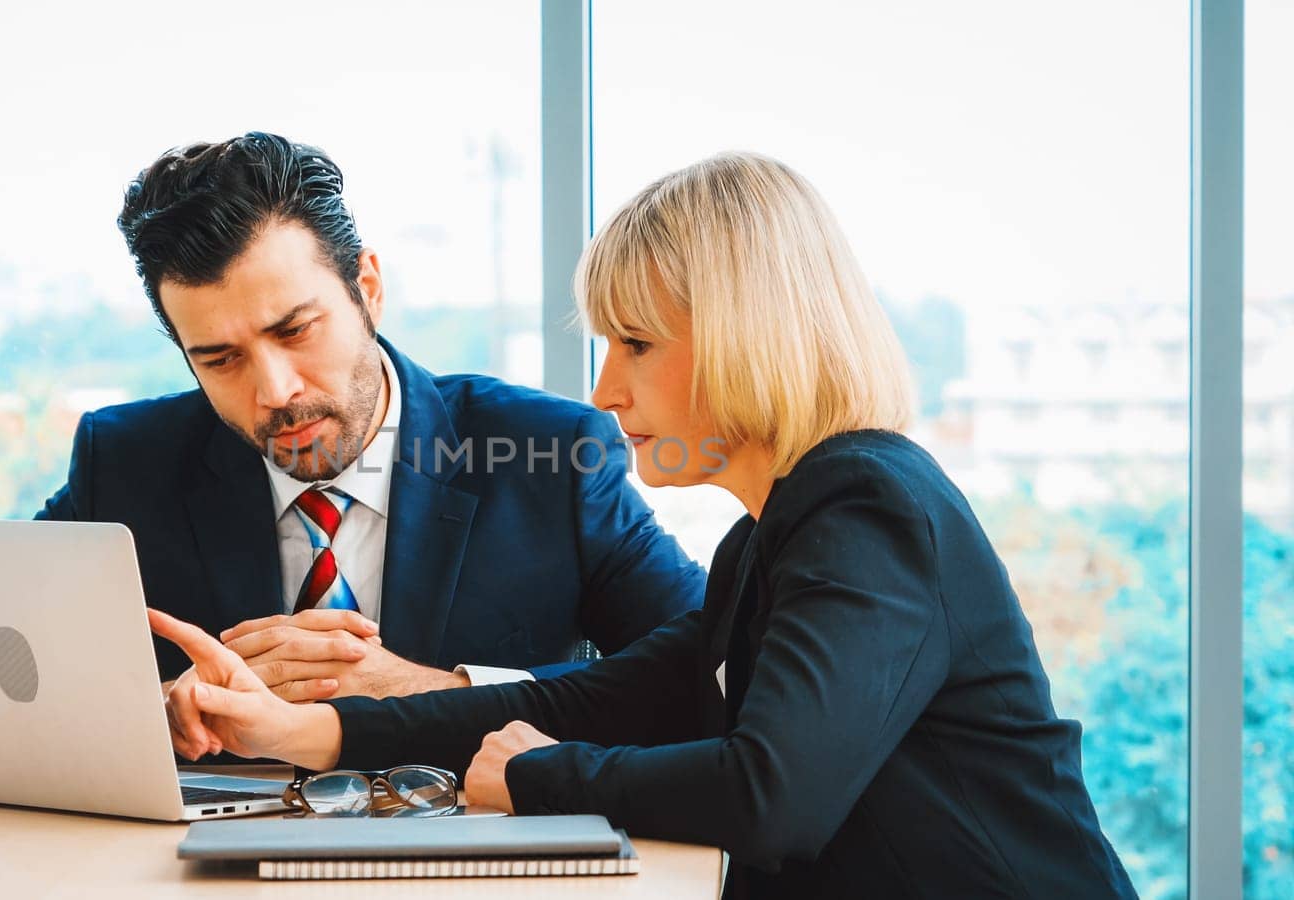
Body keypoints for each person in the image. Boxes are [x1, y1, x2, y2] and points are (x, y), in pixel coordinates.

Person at [147, 151, 1139, 898]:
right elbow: (599, 698)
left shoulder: (868, 508)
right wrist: (305, 731)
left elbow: (770, 797)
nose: (604, 389)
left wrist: (539, 780)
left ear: (752, 333)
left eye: (635, 342)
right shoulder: (773, 538)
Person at [0, 132, 706, 767]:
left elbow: (714, 689)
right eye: (218, 359)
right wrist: (136, 709)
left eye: (296, 330)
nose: (274, 391)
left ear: (367, 288)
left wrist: (425, 692)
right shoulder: (131, 463)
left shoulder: (550, 455)